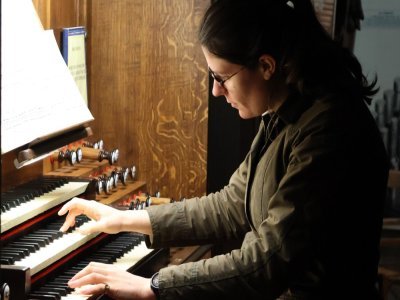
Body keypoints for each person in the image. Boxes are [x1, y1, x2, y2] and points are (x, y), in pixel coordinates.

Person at [58, 0, 389, 299]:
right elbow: (232, 205)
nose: (216, 91)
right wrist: (125, 219)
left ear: (266, 66)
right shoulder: (287, 109)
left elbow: (266, 263)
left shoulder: (327, 129)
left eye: (221, 77)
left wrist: (152, 286)